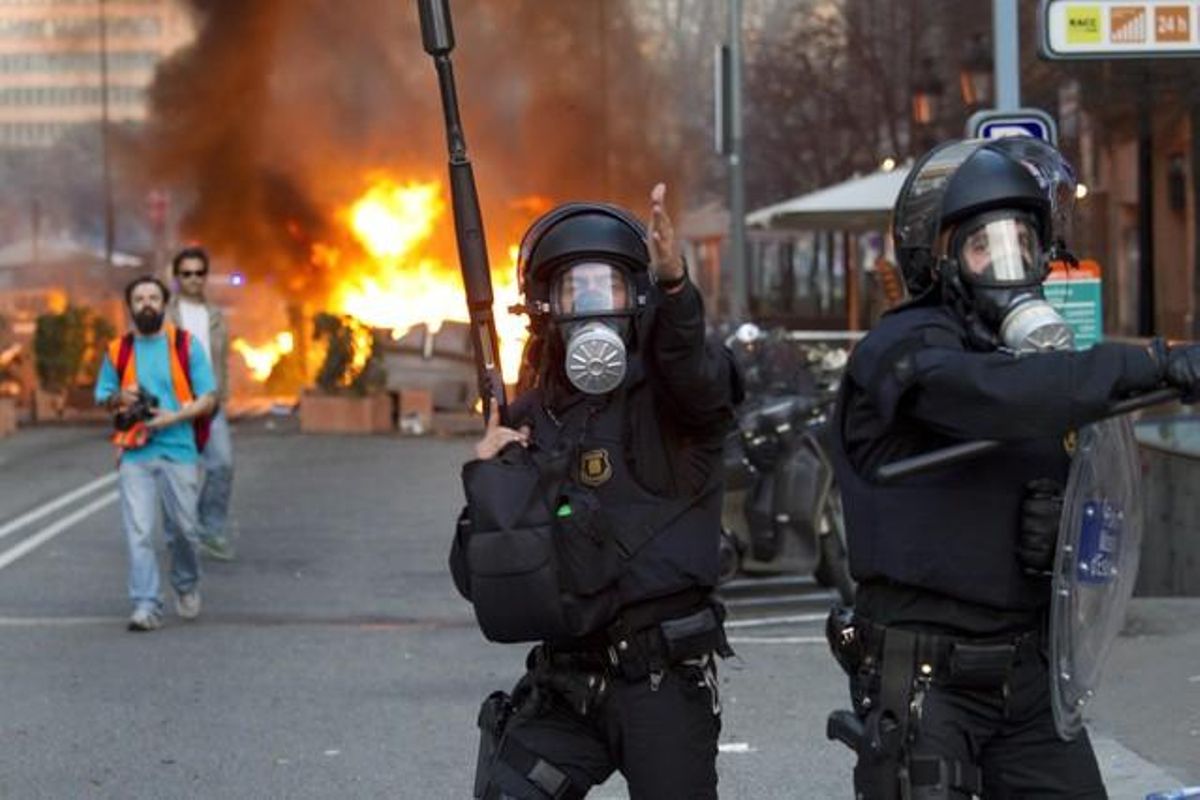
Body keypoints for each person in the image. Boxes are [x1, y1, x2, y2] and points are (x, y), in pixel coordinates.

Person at [825, 138, 1200, 799]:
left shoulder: (1045, 374)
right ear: (939, 259)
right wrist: (1157, 361)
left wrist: (1059, 529)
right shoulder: (901, 349)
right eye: (983, 246)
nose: (1009, 264)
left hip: (1028, 679)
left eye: (1023, 242)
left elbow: (1087, 502)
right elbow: (992, 397)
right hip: (927, 683)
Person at [452, 184, 742, 799]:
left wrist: (675, 288)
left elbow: (697, 376)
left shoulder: (675, 403)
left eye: (606, 287)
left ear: (634, 296)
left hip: (660, 684)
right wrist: (489, 489)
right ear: (544, 306)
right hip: (566, 684)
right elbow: (479, 580)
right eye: (572, 290)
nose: (590, 306)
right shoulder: (527, 416)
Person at [96, 276, 217, 632]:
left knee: (185, 529)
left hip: (179, 450)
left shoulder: (185, 345)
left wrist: (173, 417)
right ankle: (146, 604)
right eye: (139, 298)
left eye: (153, 297)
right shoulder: (117, 350)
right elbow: (103, 395)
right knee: (139, 531)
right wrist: (122, 396)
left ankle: (186, 582)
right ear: (130, 307)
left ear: (164, 303)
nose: (146, 303)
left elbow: (209, 397)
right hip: (135, 453)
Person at [166, 245, 236, 562]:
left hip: (211, 403)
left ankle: (211, 531)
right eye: (187, 274)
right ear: (177, 277)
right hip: (177, 405)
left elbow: (222, 359)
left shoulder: (215, 315)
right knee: (181, 476)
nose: (193, 279)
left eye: (199, 273)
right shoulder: (165, 315)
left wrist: (223, 394)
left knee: (222, 465)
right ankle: (180, 535)